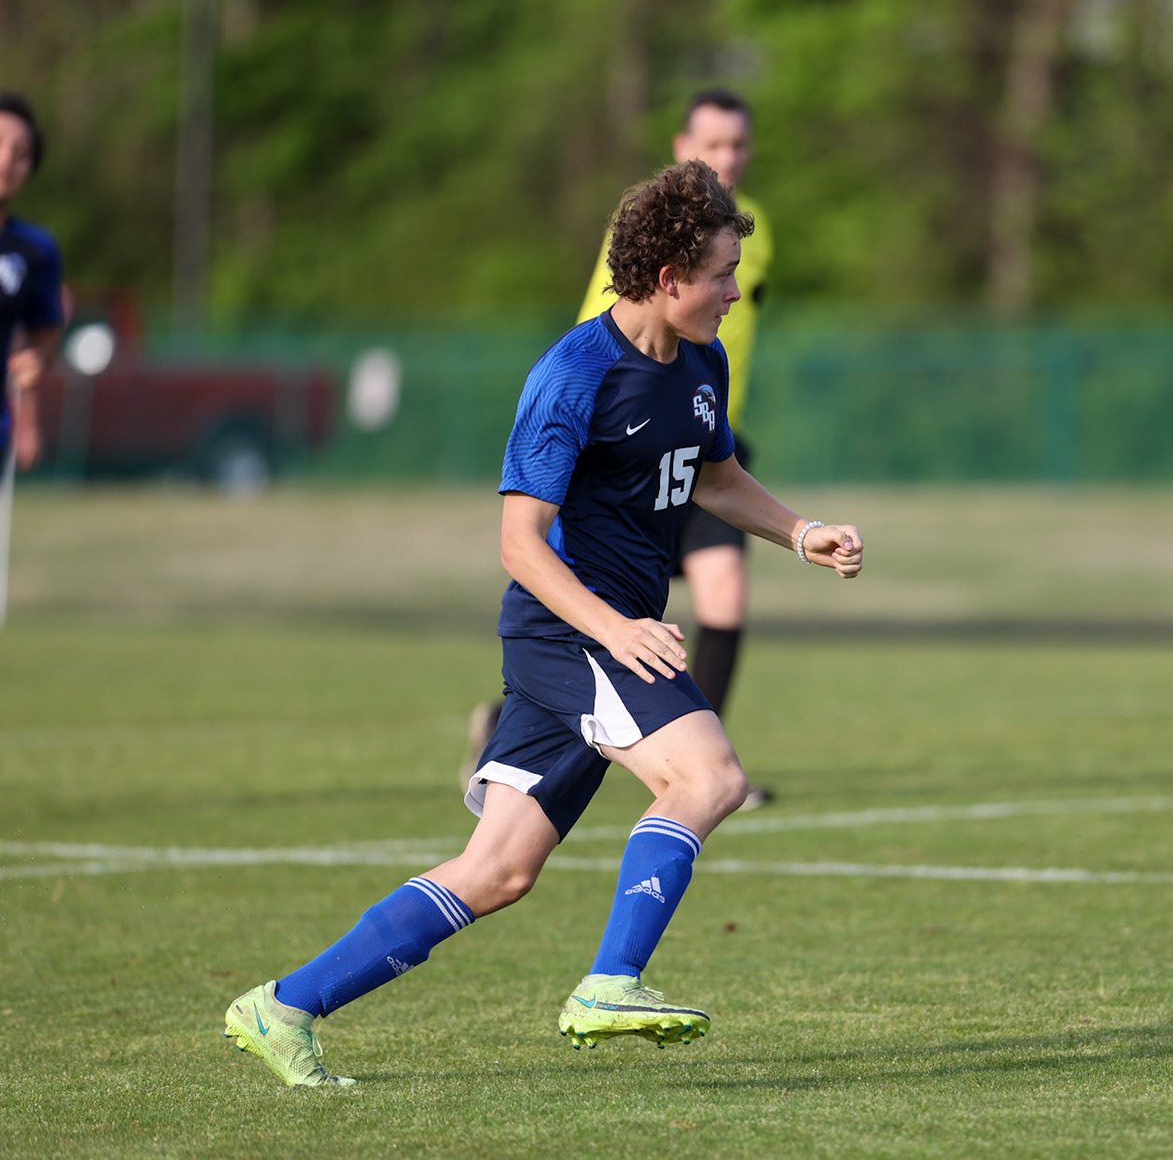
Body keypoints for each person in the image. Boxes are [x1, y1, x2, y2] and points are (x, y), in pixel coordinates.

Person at [224, 160, 862, 1088]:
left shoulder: (702, 362)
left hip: (602, 633)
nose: (734, 292)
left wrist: (800, 532)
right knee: (710, 775)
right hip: (570, 632)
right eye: (722, 274)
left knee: (498, 870)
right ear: (668, 276)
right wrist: (617, 628)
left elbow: (716, 477)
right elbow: (520, 544)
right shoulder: (572, 374)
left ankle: (282, 1006)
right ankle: (612, 982)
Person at [467, 88, 776, 804]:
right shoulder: (610, 322)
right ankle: (684, 757)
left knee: (721, 596)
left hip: (700, 428)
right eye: (713, 145)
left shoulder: (750, 251)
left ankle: (696, 751)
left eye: (739, 145)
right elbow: (609, 347)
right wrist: (617, 399)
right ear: (681, 150)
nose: (727, 158)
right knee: (499, 870)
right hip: (630, 443)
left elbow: (722, 470)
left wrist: (805, 532)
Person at [0, 93, 63, 675]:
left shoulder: (33, 251)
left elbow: (44, 331)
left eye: (21, 152)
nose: (6, 159)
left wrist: (35, 362)